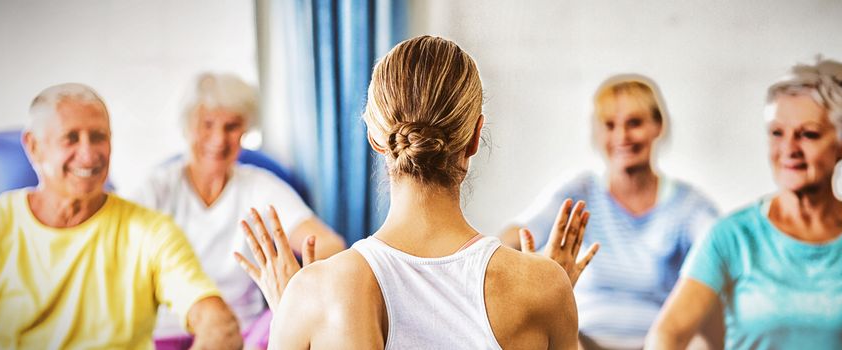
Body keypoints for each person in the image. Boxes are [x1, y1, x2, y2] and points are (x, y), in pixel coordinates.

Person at [235, 35, 594, 349]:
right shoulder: (543, 286)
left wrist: (292, 316)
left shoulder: (314, 292)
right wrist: (556, 301)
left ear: (375, 137)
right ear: (473, 137)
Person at [647, 58, 842, 349]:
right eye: (777, 133)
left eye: (809, 134)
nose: (789, 148)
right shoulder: (729, 237)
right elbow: (667, 334)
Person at [0, 83, 241, 349]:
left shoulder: (150, 231)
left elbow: (219, 325)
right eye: (71, 138)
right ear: (34, 147)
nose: (88, 154)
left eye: (99, 136)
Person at [501, 75, 720, 349]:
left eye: (634, 123)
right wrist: (519, 262)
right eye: (610, 125)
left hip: (659, 341)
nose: (622, 137)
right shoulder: (580, 191)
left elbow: (722, 245)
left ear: (658, 126)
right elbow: (517, 237)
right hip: (582, 339)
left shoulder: (688, 205)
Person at [128, 73, 345, 349]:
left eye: (231, 126)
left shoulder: (260, 186)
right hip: (165, 333)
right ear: (187, 127)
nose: (218, 139)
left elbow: (330, 245)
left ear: (245, 131)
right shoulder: (157, 188)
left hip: (246, 334)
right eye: (207, 125)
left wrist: (296, 287)